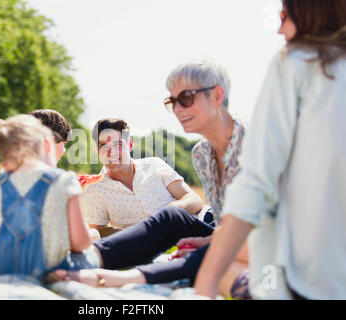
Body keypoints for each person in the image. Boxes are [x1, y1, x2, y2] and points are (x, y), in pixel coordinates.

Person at [53, 59, 250, 299]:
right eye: (172, 102)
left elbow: (199, 204)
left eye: (185, 99)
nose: (177, 109)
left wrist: (159, 220)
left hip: (221, 228)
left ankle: (107, 276)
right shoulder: (202, 153)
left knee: (172, 217)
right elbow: (98, 231)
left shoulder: (252, 144)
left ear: (217, 95)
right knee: (180, 235)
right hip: (206, 235)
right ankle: (82, 264)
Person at [195, 0, 346, 300]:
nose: (278, 28)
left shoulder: (297, 62)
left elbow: (255, 185)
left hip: (304, 283)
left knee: (228, 271)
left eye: (285, 15)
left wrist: (205, 285)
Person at [0, 113, 99, 280]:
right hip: (48, 267)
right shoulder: (66, 180)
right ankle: (63, 276)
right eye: (64, 144)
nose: (65, 150)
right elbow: (79, 242)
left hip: (4, 267)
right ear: (48, 144)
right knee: (94, 248)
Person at [81, 118, 207, 237]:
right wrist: (140, 233)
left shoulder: (154, 165)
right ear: (98, 151)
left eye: (118, 144)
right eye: (104, 145)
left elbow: (195, 201)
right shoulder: (95, 190)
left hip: (201, 225)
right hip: (155, 251)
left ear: (130, 145)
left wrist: (166, 214)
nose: (111, 152)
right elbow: (98, 236)